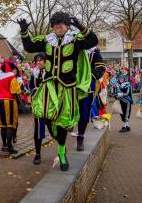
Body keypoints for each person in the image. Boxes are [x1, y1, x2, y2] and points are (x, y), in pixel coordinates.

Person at [19, 11, 98, 171]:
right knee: (45, 116)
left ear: (67, 26)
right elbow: (29, 47)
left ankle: (61, 152)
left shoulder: (75, 39)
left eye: (60, 25)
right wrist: (24, 31)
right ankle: (59, 140)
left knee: (61, 122)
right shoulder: (48, 40)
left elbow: (92, 41)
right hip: (48, 85)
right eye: (55, 26)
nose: (58, 28)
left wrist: (80, 26)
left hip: (67, 87)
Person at [76, 46, 106, 150]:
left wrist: (87, 75)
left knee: (84, 113)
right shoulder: (70, 46)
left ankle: (80, 137)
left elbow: (101, 68)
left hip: (87, 87)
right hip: (71, 86)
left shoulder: (94, 52)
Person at [0, 59, 21, 154]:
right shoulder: (12, 76)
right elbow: (15, 91)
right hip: (9, 101)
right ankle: (9, 147)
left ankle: (4, 145)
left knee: (3, 125)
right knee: (10, 124)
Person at [30, 53, 47, 164]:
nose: (39, 62)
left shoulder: (50, 72)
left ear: (45, 61)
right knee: (38, 130)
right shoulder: (34, 73)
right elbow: (31, 86)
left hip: (49, 105)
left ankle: (62, 153)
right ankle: (38, 154)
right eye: (37, 60)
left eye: (41, 60)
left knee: (56, 130)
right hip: (38, 106)